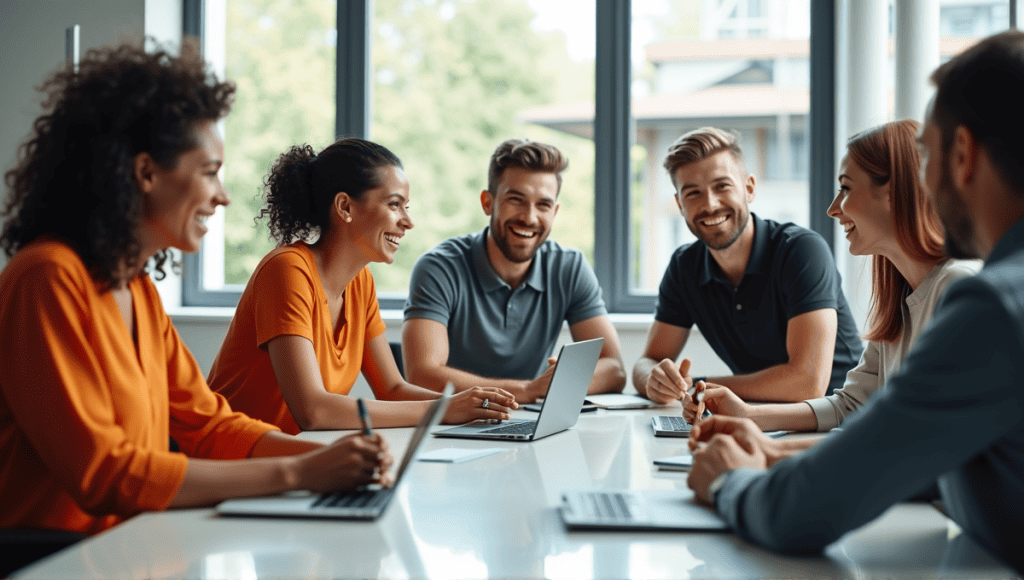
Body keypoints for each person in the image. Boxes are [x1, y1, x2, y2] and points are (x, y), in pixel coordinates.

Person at [0, 44, 391, 537]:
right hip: (54, 557)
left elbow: (208, 425)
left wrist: (331, 457)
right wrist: (299, 472)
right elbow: (104, 474)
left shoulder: (136, 286)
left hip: (133, 545)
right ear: (146, 173)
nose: (223, 196)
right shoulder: (47, 277)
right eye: (209, 172)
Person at [687, 30, 1024, 574]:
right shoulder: (954, 295)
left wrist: (729, 480)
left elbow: (802, 515)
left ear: (962, 155)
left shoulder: (989, 305)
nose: (926, 182)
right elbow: (903, 450)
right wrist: (767, 446)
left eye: (928, 158)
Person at [682, 120, 980, 441]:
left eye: (846, 188)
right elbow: (851, 405)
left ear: (894, 193)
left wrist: (773, 457)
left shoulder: (957, 290)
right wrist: (748, 415)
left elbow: (925, 439)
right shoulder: (901, 298)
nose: (833, 209)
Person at [208, 138, 517, 433]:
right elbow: (313, 411)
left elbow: (392, 389)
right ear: (345, 207)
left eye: (407, 206)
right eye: (395, 204)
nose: (408, 221)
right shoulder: (287, 270)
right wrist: (443, 410)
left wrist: (472, 404)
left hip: (292, 459)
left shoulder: (360, 283)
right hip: (227, 462)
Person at [632, 127, 863, 406]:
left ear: (749, 188)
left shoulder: (802, 250)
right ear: (679, 205)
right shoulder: (684, 267)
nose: (710, 204)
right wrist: (654, 380)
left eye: (722, 186)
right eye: (693, 193)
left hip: (839, 419)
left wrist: (696, 386)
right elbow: (647, 362)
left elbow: (807, 383)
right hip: (757, 418)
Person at [402, 139, 626, 403]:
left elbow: (614, 368)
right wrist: (528, 390)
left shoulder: (570, 268)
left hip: (529, 425)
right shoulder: (439, 268)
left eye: (543, 205)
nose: (529, 217)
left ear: (554, 212)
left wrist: (558, 380)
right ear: (488, 202)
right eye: (516, 199)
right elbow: (422, 373)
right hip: (453, 427)